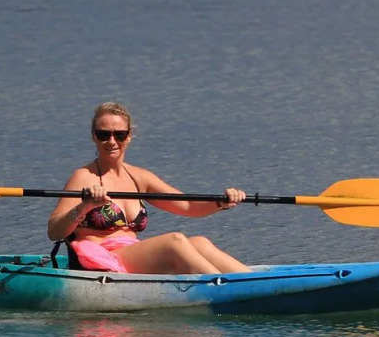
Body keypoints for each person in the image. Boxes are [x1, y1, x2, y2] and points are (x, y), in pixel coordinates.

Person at [47, 103, 250, 275]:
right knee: (174, 242)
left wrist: (220, 203)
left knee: (199, 243)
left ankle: (254, 280)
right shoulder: (83, 176)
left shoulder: (139, 177)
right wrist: (85, 206)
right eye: (103, 135)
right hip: (99, 261)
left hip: (131, 253)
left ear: (129, 137)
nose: (111, 141)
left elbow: (187, 205)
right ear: (93, 136)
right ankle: (227, 289)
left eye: (119, 135)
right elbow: (54, 231)